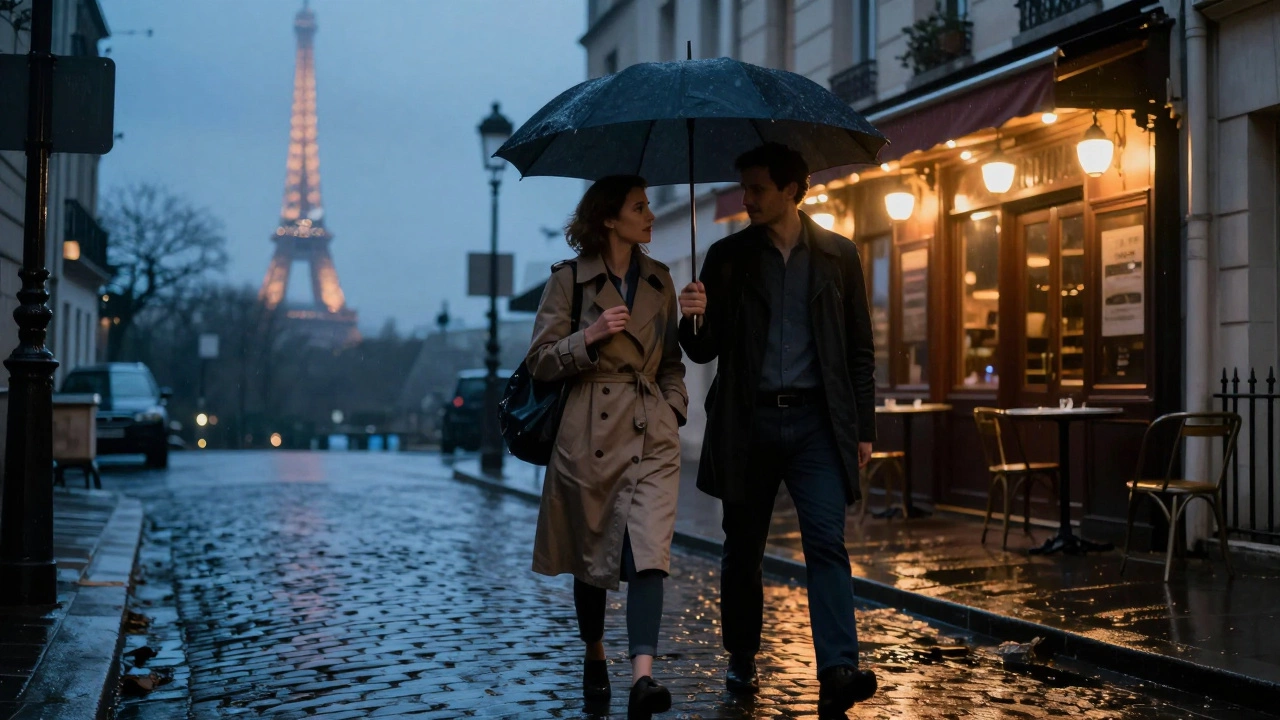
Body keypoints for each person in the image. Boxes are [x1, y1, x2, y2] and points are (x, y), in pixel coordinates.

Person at [677, 143, 878, 719]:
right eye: (744, 188)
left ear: (793, 189)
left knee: (827, 544)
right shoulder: (727, 256)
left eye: (759, 188)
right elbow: (703, 347)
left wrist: (862, 425)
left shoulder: (839, 256)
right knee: (743, 549)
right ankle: (741, 653)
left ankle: (838, 666)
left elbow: (860, 348)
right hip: (748, 421)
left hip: (818, 422)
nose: (747, 199)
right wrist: (691, 314)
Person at [526, 175, 688, 718]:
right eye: (639, 207)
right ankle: (595, 651)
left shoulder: (662, 282)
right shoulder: (569, 282)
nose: (651, 216)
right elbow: (540, 361)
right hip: (588, 434)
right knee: (590, 555)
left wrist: (674, 408)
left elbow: (670, 364)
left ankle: (643, 677)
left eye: (648, 205)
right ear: (609, 220)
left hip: (651, 433)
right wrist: (589, 338)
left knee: (649, 553)